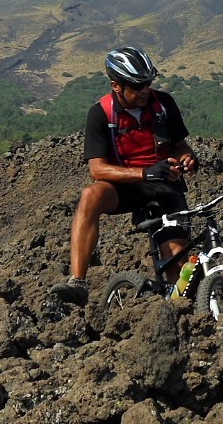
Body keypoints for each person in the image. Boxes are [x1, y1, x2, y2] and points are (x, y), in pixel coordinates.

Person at [50, 47, 198, 306]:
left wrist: (187, 157)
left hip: (165, 187)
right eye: (137, 85)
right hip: (126, 188)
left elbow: (180, 145)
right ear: (116, 85)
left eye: (148, 83)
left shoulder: (163, 104)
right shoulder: (100, 113)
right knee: (91, 195)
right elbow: (97, 169)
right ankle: (78, 283)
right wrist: (144, 172)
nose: (145, 90)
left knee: (178, 267)